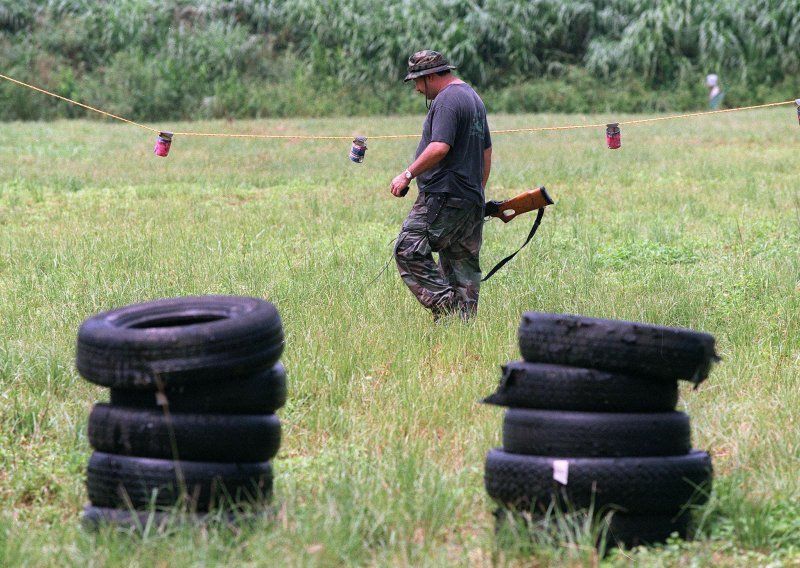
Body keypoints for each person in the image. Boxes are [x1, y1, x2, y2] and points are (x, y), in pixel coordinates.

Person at [389, 50, 492, 321]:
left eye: (417, 82)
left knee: (407, 248)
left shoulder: (447, 100)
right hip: (469, 197)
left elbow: (439, 147)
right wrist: (477, 193)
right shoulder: (473, 97)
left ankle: (449, 307)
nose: (416, 88)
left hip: (443, 194)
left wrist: (407, 175)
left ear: (431, 75)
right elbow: (486, 151)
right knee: (461, 265)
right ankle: (461, 327)